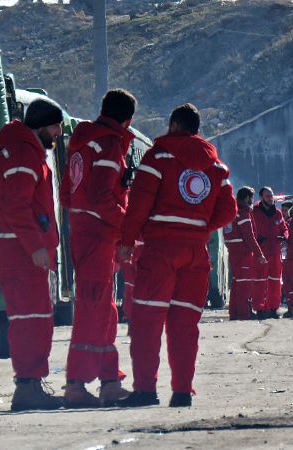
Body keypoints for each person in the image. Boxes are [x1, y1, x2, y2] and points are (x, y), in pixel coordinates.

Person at [117, 103, 236, 408]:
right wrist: (198, 227)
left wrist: (127, 241)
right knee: (185, 325)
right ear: (196, 130)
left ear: (172, 126)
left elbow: (140, 202)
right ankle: (182, 391)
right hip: (195, 253)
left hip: (159, 250)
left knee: (147, 321)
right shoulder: (216, 166)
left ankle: (145, 389)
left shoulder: (158, 157)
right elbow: (229, 210)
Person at [59, 89, 136, 408]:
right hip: (98, 235)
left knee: (104, 309)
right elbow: (103, 197)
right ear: (128, 119)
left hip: (86, 233)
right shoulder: (107, 144)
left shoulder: (81, 142)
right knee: (93, 310)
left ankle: (108, 381)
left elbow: (67, 194)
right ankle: (76, 384)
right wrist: (126, 229)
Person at [0, 98, 64, 410]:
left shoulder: (23, 149)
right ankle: (28, 386)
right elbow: (17, 205)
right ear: (42, 125)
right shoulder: (24, 153)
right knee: (31, 317)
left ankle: (31, 383)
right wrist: (35, 245)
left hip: (19, 248)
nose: (59, 132)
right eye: (56, 125)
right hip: (21, 250)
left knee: (33, 316)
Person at [224, 187, 267, 320]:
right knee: (245, 284)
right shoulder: (243, 214)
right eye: (251, 198)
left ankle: (235, 312)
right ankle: (244, 313)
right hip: (243, 253)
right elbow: (249, 237)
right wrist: (260, 254)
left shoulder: (231, 212)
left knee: (237, 284)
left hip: (233, 252)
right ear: (247, 198)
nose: (252, 201)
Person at [252, 187, 288, 319]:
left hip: (275, 252)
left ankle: (273, 308)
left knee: (275, 281)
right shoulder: (254, 213)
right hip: (261, 253)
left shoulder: (277, 213)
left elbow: (284, 228)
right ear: (261, 197)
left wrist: (284, 236)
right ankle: (259, 308)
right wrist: (256, 239)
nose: (270, 199)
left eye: (271, 196)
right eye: (267, 196)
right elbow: (250, 231)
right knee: (260, 281)